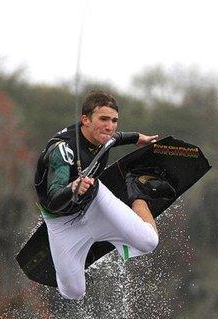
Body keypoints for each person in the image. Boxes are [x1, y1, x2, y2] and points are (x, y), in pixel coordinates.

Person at [34, 91, 175, 300]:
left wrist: (138, 138)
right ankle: (87, 243)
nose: (109, 126)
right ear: (85, 120)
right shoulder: (63, 151)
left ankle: (139, 193)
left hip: (95, 203)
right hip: (61, 221)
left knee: (148, 242)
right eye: (103, 119)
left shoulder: (105, 137)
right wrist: (73, 188)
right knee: (73, 293)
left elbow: (116, 138)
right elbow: (54, 201)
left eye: (114, 120)